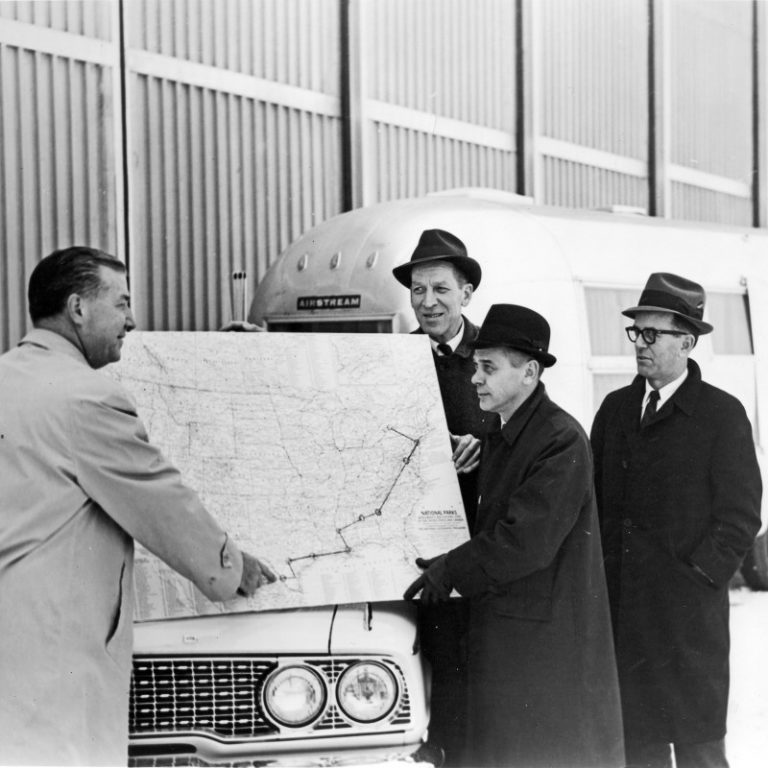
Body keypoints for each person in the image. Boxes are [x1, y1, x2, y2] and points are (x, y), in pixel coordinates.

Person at [0, 246, 277, 766]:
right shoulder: (86, 398)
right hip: (53, 659)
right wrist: (231, 568)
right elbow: (160, 501)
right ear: (78, 308)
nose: (131, 320)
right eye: (122, 303)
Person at [404, 304, 625, 768]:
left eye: (488, 368)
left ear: (529, 372)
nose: (475, 379)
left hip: (544, 649)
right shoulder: (501, 433)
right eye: (476, 366)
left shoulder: (560, 440)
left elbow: (525, 542)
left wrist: (451, 568)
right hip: (512, 637)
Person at [590, 272, 762, 768]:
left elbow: (741, 515)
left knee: (698, 750)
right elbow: (595, 501)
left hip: (689, 626)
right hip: (627, 623)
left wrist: (697, 579)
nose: (639, 344)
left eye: (652, 334)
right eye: (636, 332)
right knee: (638, 750)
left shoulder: (721, 415)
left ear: (687, 342)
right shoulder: (616, 410)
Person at [392, 229, 494, 765]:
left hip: (482, 547)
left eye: (440, 290)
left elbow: (530, 430)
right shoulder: (395, 358)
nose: (427, 302)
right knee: (431, 660)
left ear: (466, 294)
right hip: (418, 545)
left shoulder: (495, 356)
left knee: (481, 672)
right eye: (417, 290)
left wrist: (485, 444)